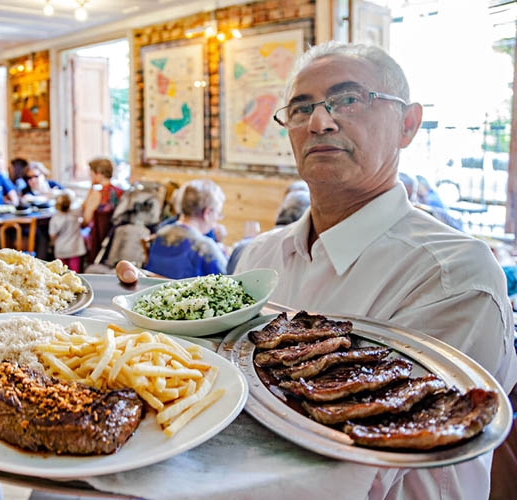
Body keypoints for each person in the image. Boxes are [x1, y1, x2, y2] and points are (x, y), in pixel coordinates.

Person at [118, 41, 517, 499]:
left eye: (348, 100)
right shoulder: (259, 257)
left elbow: (362, 473)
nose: (319, 122)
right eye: (301, 107)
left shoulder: (451, 275)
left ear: (408, 124)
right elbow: (218, 384)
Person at [144, 179, 227, 279]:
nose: (216, 219)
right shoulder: (204, 247)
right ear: (207, 213)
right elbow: (229, 279)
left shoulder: (162, 232)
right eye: (217, 213)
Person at [81, 157, 124, 264]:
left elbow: (86, 220)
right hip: (114, 237)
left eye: (91, 174)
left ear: (98, 174)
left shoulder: (97, 194)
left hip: (99, 238)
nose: (90, 177)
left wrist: (91, 187)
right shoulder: (119, 191)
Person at [48, 191, 86, 272]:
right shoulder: (75, 214)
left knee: (61, 271)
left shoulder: (54, 219)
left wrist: (52, 244)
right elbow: (83, 205)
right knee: (75, 272)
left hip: (61, 248)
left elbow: (52, 235)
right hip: (75, 248)